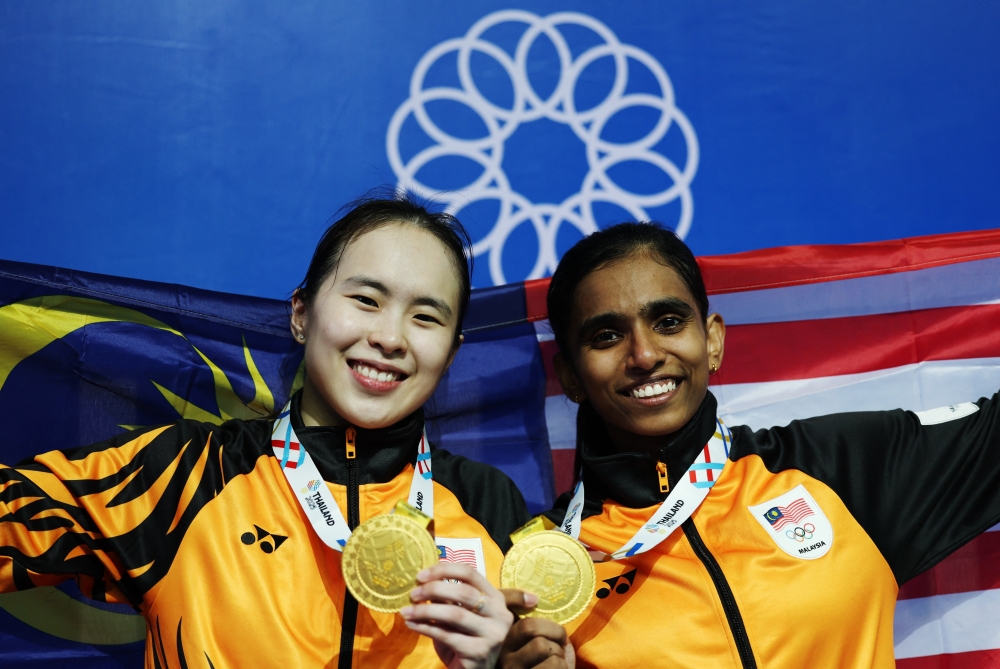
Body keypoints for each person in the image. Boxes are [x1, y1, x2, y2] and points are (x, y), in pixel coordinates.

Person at [0, 195, 533, 669]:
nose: (390, 337)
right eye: (366, 300)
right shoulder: (187, 474)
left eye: (425, 317)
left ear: (453, 351)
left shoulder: (489, 504)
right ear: (301, 314)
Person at [499, 222, 1000, 669]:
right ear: (569, 376)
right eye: (607, 336)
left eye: (669, 322)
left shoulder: (840, 466)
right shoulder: (544, 566)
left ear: (712, 340)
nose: (645, 354)